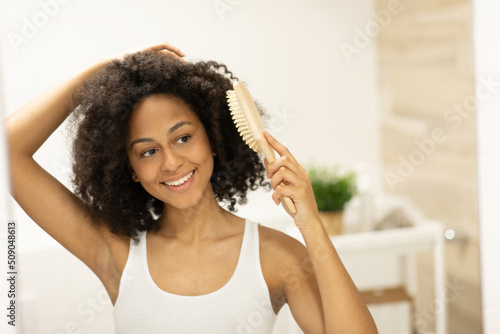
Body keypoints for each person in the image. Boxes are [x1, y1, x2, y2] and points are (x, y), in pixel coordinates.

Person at [5, 42, 378, 333]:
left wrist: (310, 224)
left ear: (214, 137)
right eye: (148, 151)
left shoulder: (275, 257)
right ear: (130, 169)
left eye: (182, 138)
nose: (170, 162)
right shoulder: (116, 252)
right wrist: (106, 68)